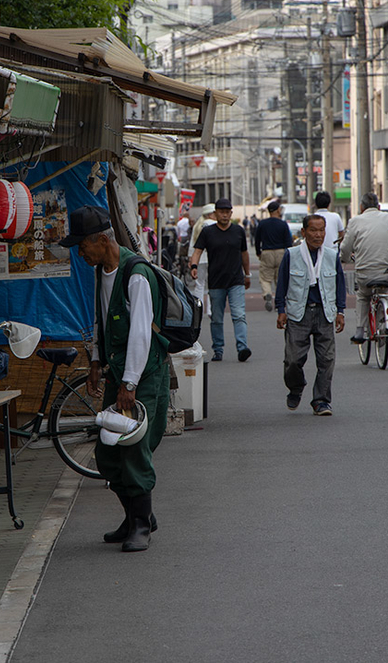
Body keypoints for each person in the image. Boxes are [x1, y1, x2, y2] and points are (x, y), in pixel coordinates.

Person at [59, 205, 169, 553]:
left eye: (82, 246)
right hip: (119, 374)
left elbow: (140, 334)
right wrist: (94, 361)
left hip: (143, 375)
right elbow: (100, 321)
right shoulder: (100, 272)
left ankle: (142, 524)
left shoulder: (135, 274)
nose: (79, 252)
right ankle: (134, 516)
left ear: (102, 240)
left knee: (133, 449)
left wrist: (130, 385)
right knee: (108, 451)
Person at [276, 214, 346, 416]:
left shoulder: (332, 256)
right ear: (304, 232)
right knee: (293, 360)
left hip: (325, 312)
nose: (318, 234)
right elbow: (281, 284)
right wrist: (281, 310)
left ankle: (321, 401)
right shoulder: (292, 254)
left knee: (326, 360)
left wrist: (340, 311)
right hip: (299, 313)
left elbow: (340, 285)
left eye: (322, 230)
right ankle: (296, 387)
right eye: (314, 230)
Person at [189, 196, 253, 363]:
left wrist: (247, 274)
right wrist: (194, 267)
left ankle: (242, 348)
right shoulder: (207, 232)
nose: (225, 215)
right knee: (216, 318)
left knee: (239, 315)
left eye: (227, 212)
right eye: (221, 212)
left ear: (231, 213)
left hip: (236, 280)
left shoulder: (238, 231)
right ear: (215, 213)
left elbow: (244, 254)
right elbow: (197, 251)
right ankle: (218, 349)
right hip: (216, 281)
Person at [341, 192, 388, 345]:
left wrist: (344, 258)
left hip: (365, 273)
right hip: (387, 271)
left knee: (363, 295)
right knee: (383, 292)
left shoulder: (355, 221)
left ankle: (359, 330)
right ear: (379, 207)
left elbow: (345, 247)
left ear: (361, 207)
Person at [254, 200, 294, 312]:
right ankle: (279, 302)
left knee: (265, 278)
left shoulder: (262, 223)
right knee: (280, 278)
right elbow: (288, 242)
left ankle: (267, 294)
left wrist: (258, 252)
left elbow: (257, 240)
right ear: (277, 210)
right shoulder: (283, 224)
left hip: (267, 252)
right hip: (281, 252)